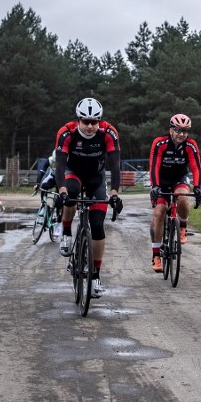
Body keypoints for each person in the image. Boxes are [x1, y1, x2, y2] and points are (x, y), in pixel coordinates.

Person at [55, 97, 123, 298]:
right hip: (73, 173)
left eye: (95, 122)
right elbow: (59, 166)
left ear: (100, 121)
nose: (90, 126)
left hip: (96, 177)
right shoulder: (66, 132)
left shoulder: (109, 132)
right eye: (86, 121)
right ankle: (66, 232)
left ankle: (95, 277)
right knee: (72, 193)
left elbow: (115, 166)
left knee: (98, 225)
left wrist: (114, 194)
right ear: (78, 120)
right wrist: (62, 192)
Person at [148, 114, 201, 272]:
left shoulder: (190, 145)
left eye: (185, 131)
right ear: (171, 130)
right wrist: (154, 186)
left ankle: (183, 226)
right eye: (178, 130)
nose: (182, 134)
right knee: (159, 213)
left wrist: (198, 186)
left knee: (182, 198)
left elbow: (196, 167)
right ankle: (156, 255)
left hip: (179, 178)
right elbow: (154, 165)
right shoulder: (160, 143)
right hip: (161, 181)